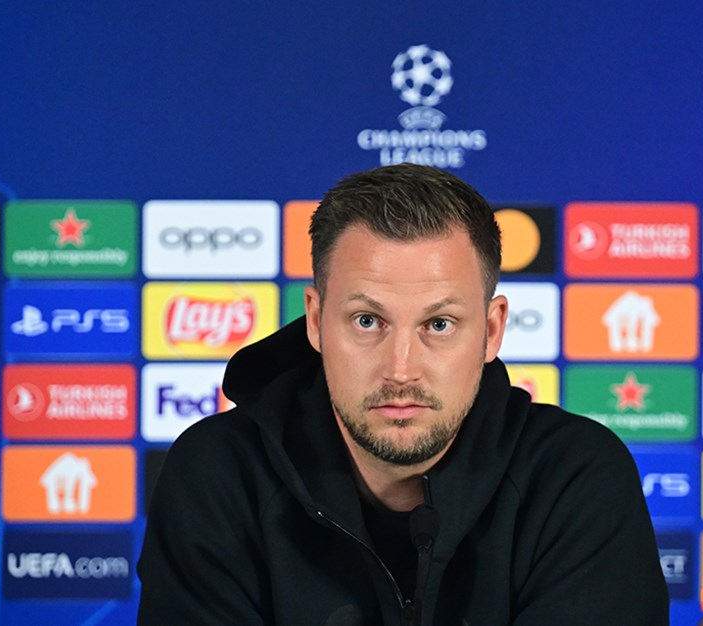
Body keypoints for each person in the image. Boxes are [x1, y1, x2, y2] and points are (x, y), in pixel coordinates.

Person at [137, 163, 669, 625]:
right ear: (316, 321)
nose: (401, 369)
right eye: (367, 321)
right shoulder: (219, 473)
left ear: (491, 330)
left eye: (438, 324)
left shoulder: (575, 476)